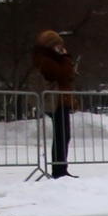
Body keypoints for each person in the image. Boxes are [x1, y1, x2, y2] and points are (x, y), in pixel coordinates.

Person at [31, 29, 77, 176]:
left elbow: (65, 75)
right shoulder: (45, 60)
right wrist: (66, 57)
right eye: (57, 46)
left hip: (60, 99)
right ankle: (58, 169)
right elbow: (62, 73)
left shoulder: (51, 60)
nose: (60, 49)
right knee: (61, 135)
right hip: (55, 101)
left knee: (63, 135)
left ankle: (61, 167)